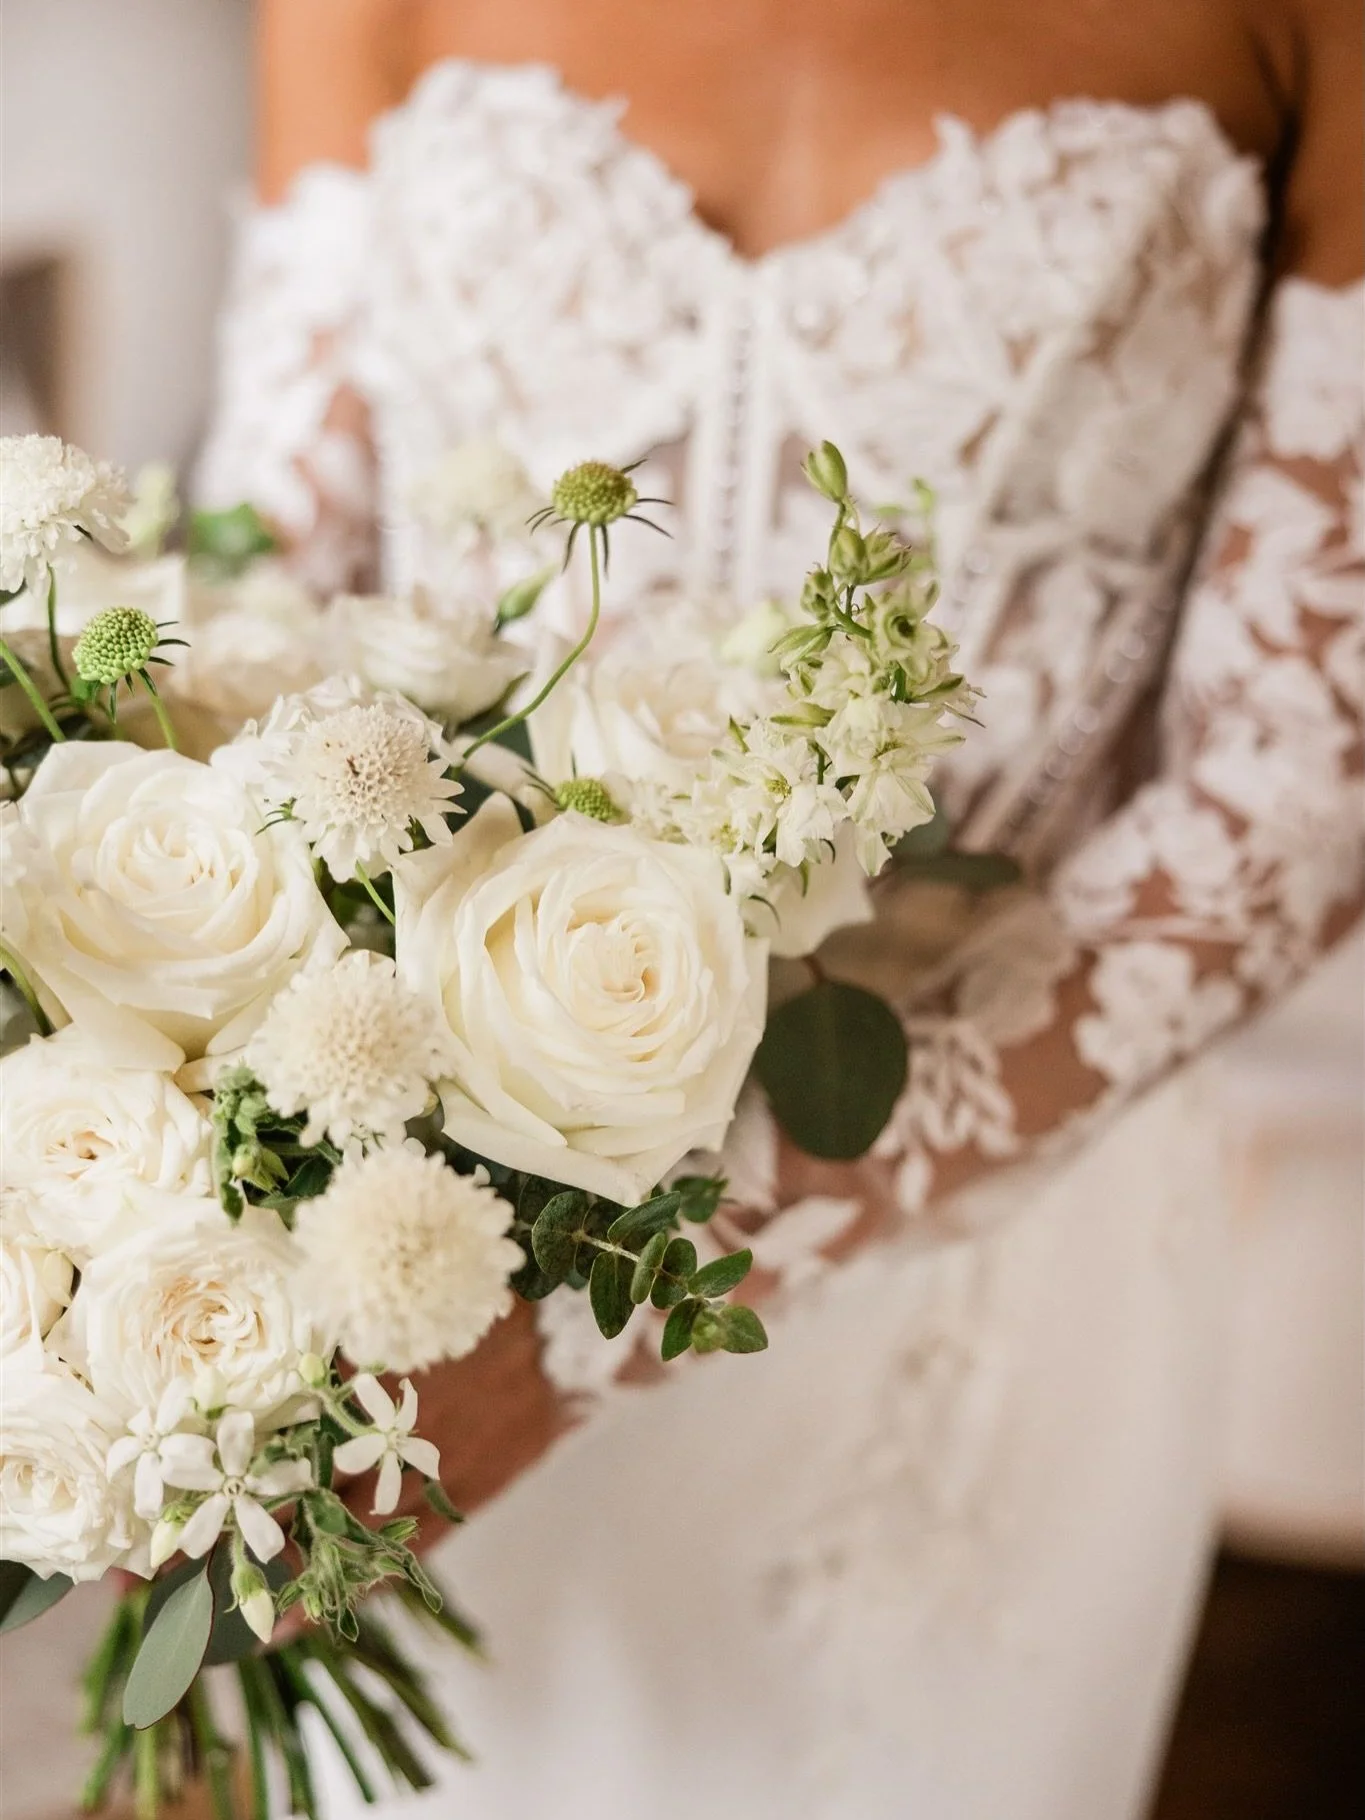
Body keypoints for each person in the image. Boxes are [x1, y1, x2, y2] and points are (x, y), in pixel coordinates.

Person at [198, 3, 1363, 1815]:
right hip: (408, 1247)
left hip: (979, 1222)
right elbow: (270, 568)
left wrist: (618, 1313)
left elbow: (1298, 782)